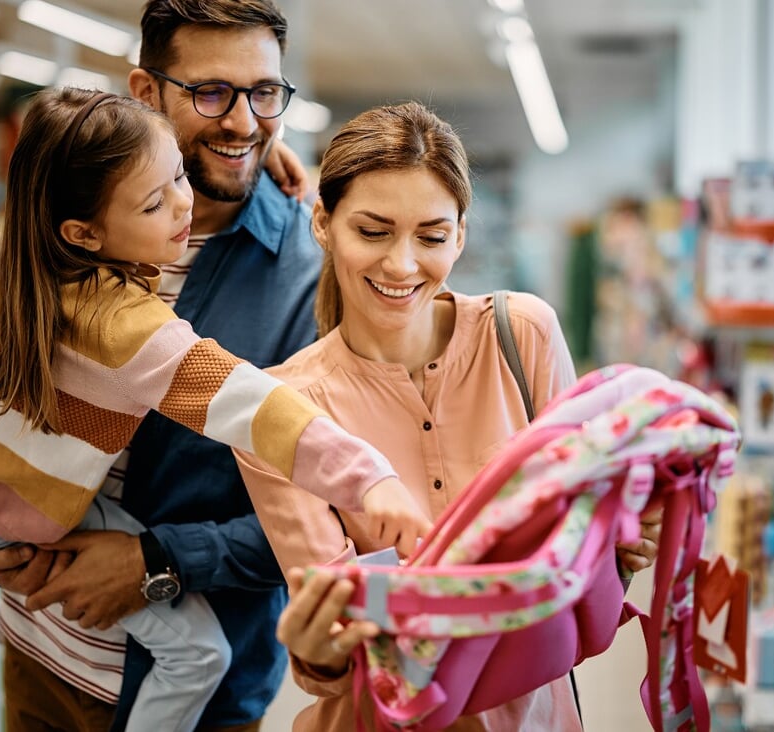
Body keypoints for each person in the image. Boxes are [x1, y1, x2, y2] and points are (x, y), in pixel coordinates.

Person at [0, 87, 430, 732]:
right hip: (28, 539)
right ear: (83, 231)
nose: (183, 203)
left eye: (179, 173)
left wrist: (271, 159)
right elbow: (260, 410)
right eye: (155, 200)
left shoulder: (34, 274)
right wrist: (370, 478)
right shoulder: (131, 329)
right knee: (199, 654)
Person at [237, 101, 663, 731]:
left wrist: (624, 541)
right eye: (373, 231)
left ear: (461, 234)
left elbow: (587, 553)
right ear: (323, 223)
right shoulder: (285, 411)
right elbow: (335, 651)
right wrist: (317, 649)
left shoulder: (524, 337)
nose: (402, 265)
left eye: (431, 237)